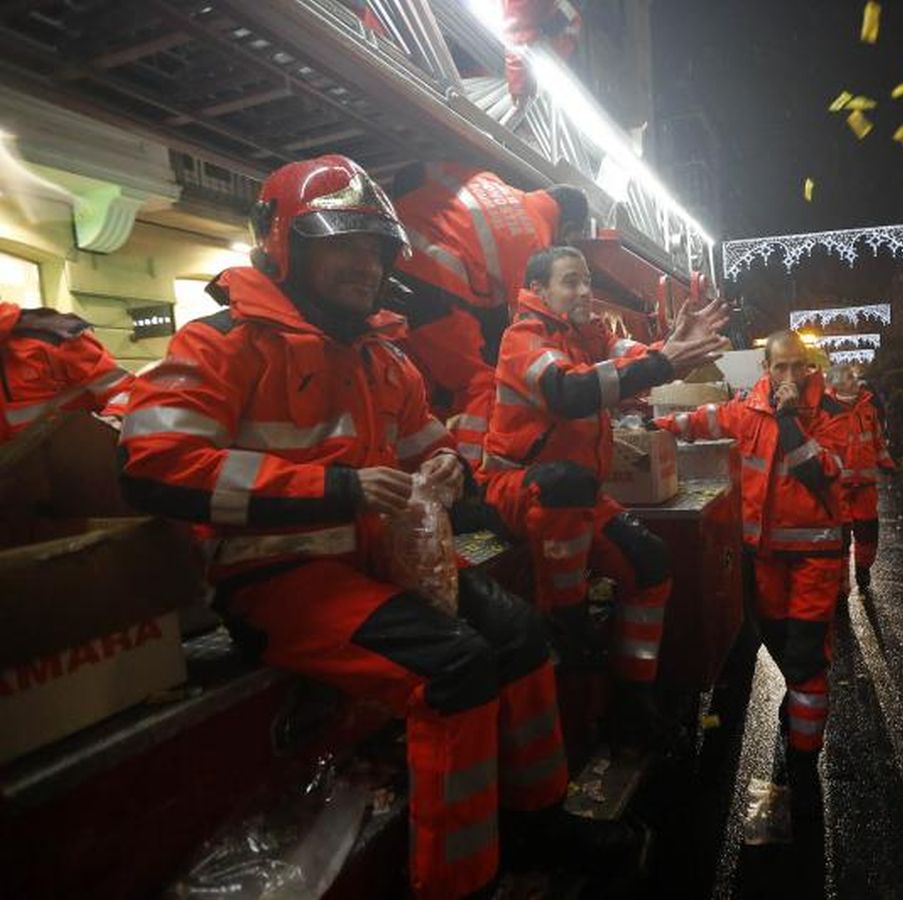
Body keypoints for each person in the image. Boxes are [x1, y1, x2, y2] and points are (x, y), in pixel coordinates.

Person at [119, 156, 625, 899]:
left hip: (378, 566)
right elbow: (153, 462)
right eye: (340, 245)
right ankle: (459, 881)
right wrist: (335, 488)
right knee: (453, 667)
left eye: (374, 249)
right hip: (278, 579)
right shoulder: (222, 342)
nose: (364, 265)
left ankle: (540, 818)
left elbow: (431, 445)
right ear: (284, 245)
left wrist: (453, 470)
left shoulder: (384, 357)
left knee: (518, 634)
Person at [478, 245, 727, 738]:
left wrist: (668, 348)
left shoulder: (587, 337)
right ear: (539, 290)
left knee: (651, 564)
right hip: (515, 489)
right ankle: (565, 620)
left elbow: (632, 359)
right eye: (571, 281)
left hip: (573, 497)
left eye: (587, 279)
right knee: (566, 483)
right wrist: (662, 361)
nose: (585, 290)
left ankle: (634, 695)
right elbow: (569, 392)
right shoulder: (522, 338)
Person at [655, 331, 849, 819]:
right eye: (778, 367)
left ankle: (803, 765)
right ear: (765, 366)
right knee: (781, 645)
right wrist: (648, 424)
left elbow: (822, 470)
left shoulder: (829, 411)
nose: (788, 377)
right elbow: (700, 421)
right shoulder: (748, 411)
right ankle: (797, 727)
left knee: (806, 662)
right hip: (764, 561)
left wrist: (790, 422)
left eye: (796, 367)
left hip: (813, 565)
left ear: (807, 367)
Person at [391, 162, 590, 468]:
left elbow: (414, 173)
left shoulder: (489, 180)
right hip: (429, 281)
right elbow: (531, 320)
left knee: (423, 380)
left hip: (388, 251)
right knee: (479, 382)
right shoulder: (536, 243)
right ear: (568, 229)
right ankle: (473, 475)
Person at [1, 300, 133, 441]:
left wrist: (104, 432)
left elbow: (126, 391)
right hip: (28, 459)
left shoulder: (53, 336)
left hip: (94, 452)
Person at [825, 363, 894, 593]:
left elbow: (877, 441)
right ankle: (842, 584)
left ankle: (863, 569)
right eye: (848, 378)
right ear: (835, 383)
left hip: (865, 487)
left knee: (867, 533)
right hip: (838, 488)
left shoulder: (868, 409)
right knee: (841, 540)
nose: (855, 381)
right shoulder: (825, 412)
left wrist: (887, 463)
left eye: (854, 377)